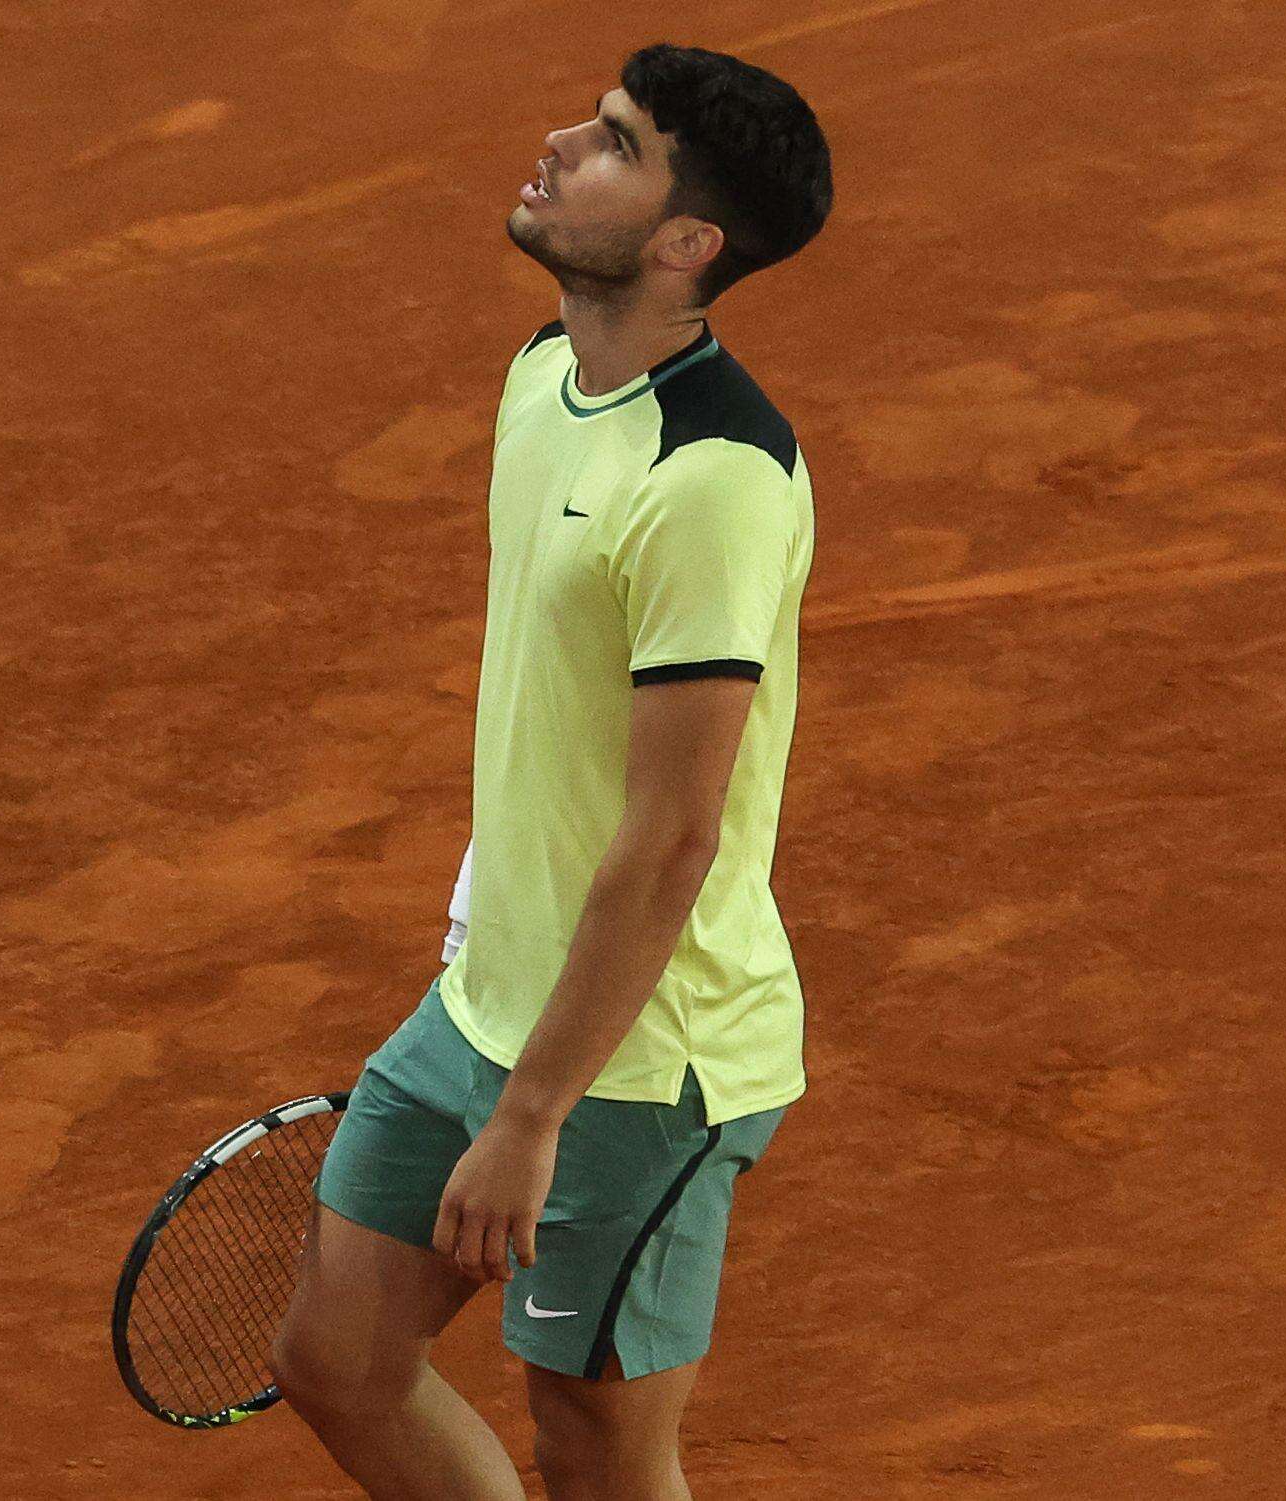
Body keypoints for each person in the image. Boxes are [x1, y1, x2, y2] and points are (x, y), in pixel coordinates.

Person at [272, 41, 834, 1500]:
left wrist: (532, 1113)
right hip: (485, 997)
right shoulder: (545, 375)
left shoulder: (713, 477)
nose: (557, 143)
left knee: (593, 1443)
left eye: (610, 142)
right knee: (338, 1359)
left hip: (636, 1065)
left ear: (683, 240)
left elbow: (671, 834)